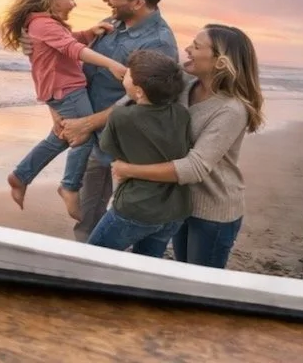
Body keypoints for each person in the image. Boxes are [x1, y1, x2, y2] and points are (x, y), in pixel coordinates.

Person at [109, 24, 265, 269]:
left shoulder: (231, 110)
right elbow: (138, 95)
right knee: (182, 270)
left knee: (201, 285)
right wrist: (87, 124)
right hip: (178, 202)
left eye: (196, 46)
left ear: (220, 62)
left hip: (213, 211)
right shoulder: (183, 82)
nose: (187, 49)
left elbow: (194, 167)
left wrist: (129, 170)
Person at [44, 0, 179, 241]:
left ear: (138, 1)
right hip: (88, 133)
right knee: (87, 216)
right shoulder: (111, 24)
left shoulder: (159, 43)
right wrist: (57, 110)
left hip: (123, 143)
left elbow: (141, 99)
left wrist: (86, 123)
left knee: (124, 218)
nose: (105, 0)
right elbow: (74, 66)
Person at [2, 0, 127, 218]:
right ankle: (69, 187)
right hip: (66, 89)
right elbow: (72, 49)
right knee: (84, 137)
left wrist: (91, 32)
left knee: (59, 137)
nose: (74, 3)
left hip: (62, 89)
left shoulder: (43, 24)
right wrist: (111, 64)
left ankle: (20, 176)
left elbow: (68, 40)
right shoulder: (42, 24)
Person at [86, 49, 191, 255]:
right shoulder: (181, 113)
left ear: (140, 91)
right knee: (146, 264)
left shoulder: (121, 117)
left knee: (92, 257)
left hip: (138, 207)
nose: (125, 76)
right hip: (175, 210)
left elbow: (107, 148)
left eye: (129, 76)